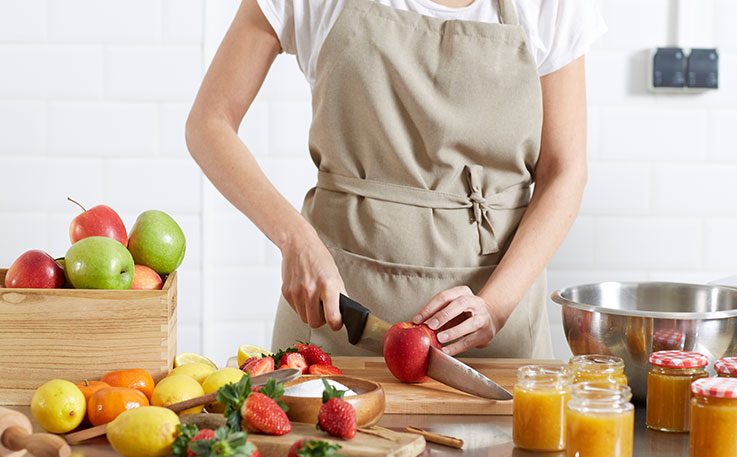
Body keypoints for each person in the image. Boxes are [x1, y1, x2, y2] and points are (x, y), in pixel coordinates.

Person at [186, 0, 605, 358]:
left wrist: (495, 306)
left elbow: (563, 171)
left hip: (493, 336)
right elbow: (209, 123)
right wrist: (294, 239)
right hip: (337, 327)